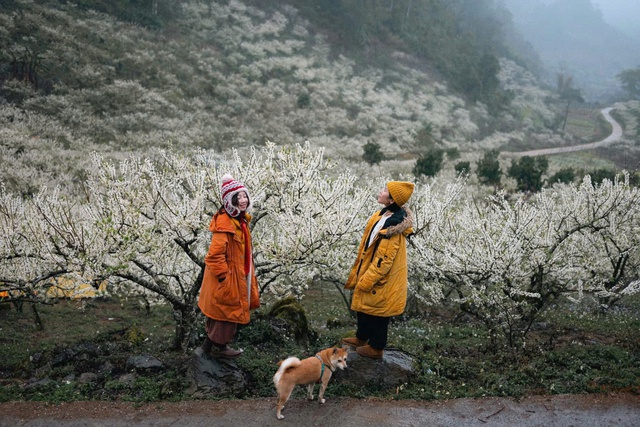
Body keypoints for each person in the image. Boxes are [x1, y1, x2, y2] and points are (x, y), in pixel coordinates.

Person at [342, 180, 415, 359]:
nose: (380, 192)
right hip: (368, 267)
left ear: (391, 200)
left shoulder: (393, 228)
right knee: (364, 305)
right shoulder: (381, 216)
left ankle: (376, 347)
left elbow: (384, 260)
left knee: (379, 310)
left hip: (384, 276)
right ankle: (362, 337)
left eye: (384, 190)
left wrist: (368, 278)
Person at [198, 174, 260, 358]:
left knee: (222, 312)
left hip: (237, 273)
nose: (243, 200)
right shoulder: (225, 224)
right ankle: (220, 348)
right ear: (229, 201)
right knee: (227, 312)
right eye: (238, 197)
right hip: (228, 276)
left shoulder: (239, 220)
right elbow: (214, 256)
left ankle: (207, 349)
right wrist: (224, 277)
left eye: (244, 196)